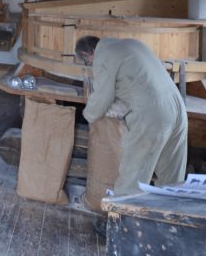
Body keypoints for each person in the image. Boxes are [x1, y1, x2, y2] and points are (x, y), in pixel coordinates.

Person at [76, 35, 188, 196]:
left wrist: (88, 114)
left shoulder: (104, 54)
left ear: (89, 53)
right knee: (172, 178)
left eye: (89, 63)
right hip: (177, 108)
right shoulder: (133, 44)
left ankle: (123, 219)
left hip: (152, 114)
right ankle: (171, 219)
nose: (92, 66)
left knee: (133, 177)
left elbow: (102, 96)